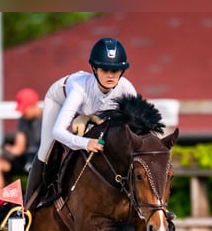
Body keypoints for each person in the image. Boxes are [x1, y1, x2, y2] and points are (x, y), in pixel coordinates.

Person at [23, 37, 136, 206]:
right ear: (95, 69)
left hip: (92, 111)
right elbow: (58, 131)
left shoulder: (126, 89)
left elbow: (135, 128)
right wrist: (85, 143)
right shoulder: (79, 89)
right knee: (46, 148)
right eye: (105, 69)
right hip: (59, 100)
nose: (111, 75)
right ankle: (28, 207)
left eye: (116, 70)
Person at [0, 87, 42, 205]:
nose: (23, 113)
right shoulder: (23, 120)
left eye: (25, 109)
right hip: (26, 158)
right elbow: (19, 147)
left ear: (34, 105)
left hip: (42, 158)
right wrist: (9, 150)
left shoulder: (47, 117)